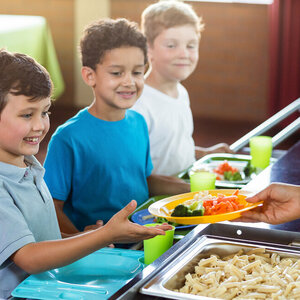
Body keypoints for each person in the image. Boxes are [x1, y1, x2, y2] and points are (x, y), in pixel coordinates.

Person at [0, 49, 172, 298]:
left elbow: (38, 234)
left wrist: (79, 237)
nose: (40, 125)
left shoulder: (28, 165)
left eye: (45, 112)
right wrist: (105, 235)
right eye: (27, 114)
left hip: (51, 285)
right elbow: (28, 257)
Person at [43, 18, 190, 234]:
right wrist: (84, 239)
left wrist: (198, 190)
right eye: (116, 73)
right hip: (102, 252)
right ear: (89, 75)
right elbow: (50, 208)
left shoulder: (138, 123)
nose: (129, 81)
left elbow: (144, 180)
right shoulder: (68, 138)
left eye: (137, 72)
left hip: (145, 236)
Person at [131, 0, 232, 176]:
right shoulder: (139, 104)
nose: (184, 54)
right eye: (171, 45)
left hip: (184, 190)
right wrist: (184, 189)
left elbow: (172, 150)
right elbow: (133, 169)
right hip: (155, 200)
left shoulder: (181, 93)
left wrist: (204, 153)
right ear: (148, 49)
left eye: (191, 46)